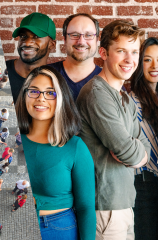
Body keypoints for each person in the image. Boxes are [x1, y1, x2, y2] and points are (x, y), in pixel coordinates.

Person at [75, 20, 148, 239]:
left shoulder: (124, 96)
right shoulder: (97, 93)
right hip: (105, 207)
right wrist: (133, 152)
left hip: (124, 203)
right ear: (104, 53)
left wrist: (137, 154)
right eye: (121, 51)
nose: (130, 60)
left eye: (134, 52)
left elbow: (140, 147)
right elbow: (127, 150)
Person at [15, 65, 96, 239]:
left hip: (57, 229)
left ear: (60, 99)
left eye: (50, 93)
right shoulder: (9, 141)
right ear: (25, 96)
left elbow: (86, 208)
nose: (41, 99)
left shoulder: (75, 147)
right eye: (34, 91)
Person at [126, 37, 158, 240]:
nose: (155, 66)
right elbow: (151, 154)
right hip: (143, 187)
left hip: (153, 187)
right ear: (138, 64)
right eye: (148, 60)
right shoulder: (133, 101)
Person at [48, 13, 101, 101]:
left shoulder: (108, 82)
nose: (81, 42)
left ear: (97, 41)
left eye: (88, 35)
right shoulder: (46, 75)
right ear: (64, 40)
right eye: (74, 35)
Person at [7, 12, 56, 102]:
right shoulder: (2, 72)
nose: (27, 43)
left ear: (51, 45)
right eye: (23, 36)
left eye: (36, 36)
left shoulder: (55, 82)